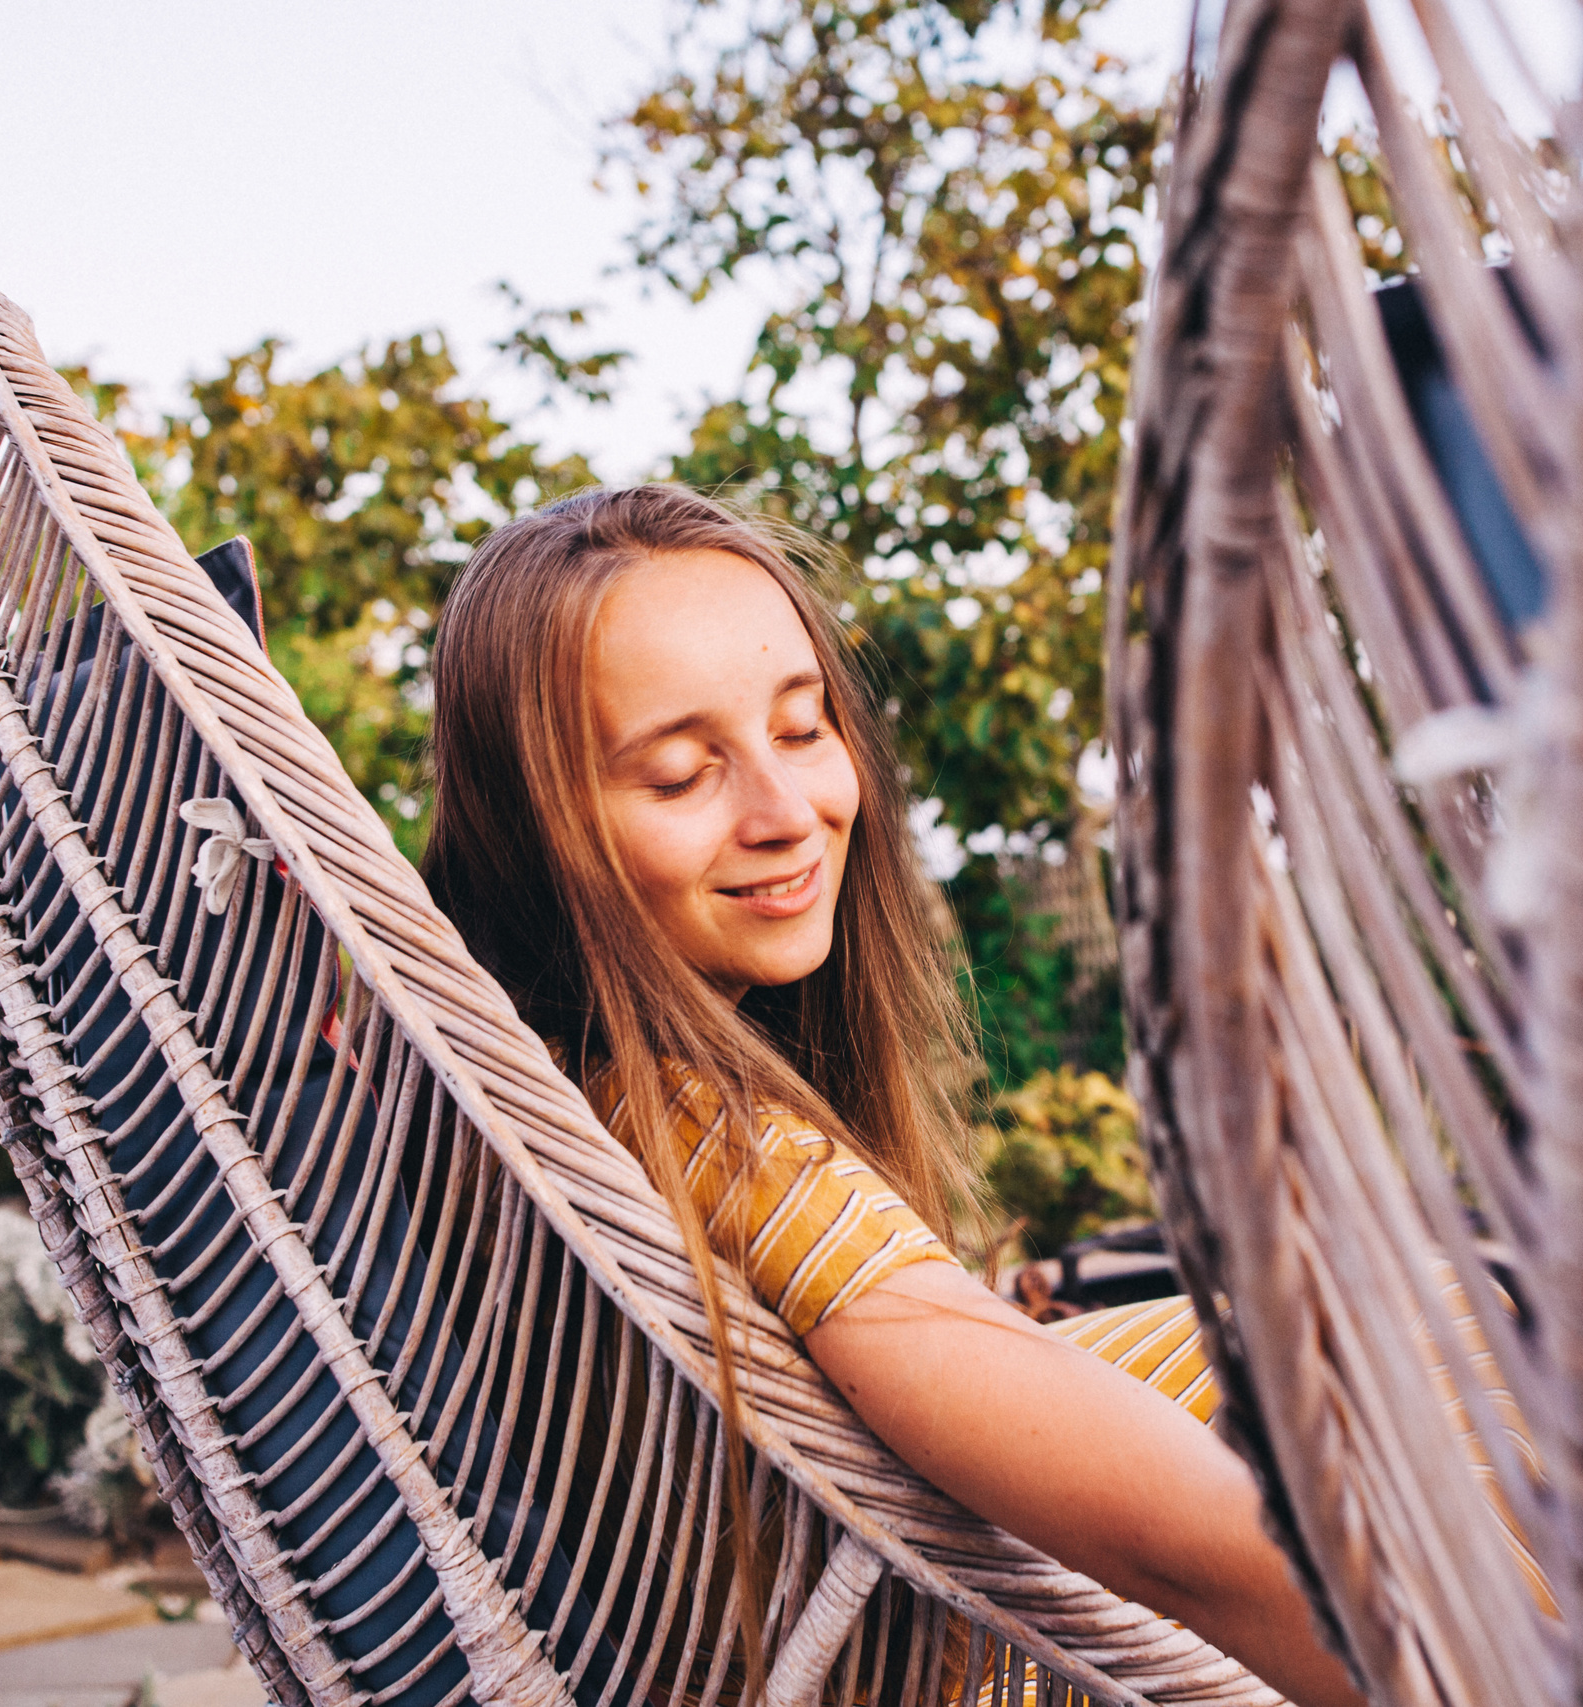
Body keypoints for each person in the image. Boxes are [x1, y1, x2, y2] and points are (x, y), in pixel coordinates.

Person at [420, 483, 1364, 1706]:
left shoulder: (550, 1111)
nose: (788, 814)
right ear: (535, 833)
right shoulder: (704, 1143)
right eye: (678, 774)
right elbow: (1196, 1555)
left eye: (803, 730)